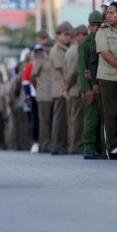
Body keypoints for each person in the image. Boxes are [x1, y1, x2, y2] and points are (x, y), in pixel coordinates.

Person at [96, 3, 117, 159]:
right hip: (108, 77)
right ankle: (112, 147)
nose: (109, 15)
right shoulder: (103, 31)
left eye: (112, 12)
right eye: (107, 13)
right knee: (111, 112)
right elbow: (105, 53)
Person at [78, 12, 103, 159]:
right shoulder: (85, 44)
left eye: (98, 25)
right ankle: (88, 147)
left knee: (99, 118)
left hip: (100, 83)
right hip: (89, 86)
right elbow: (82, 69)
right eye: (93, 25)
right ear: (89, 27)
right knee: (91, 117)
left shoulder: (102, 40)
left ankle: (98, 148)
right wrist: (87, 89)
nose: (96, 28)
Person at [48, 22, 72, 155]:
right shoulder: (57, 50)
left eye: (69, 35)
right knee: (59, 119)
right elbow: (63, 69)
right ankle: (56, 145)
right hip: (60, 88)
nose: (68, 37)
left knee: (62, 119)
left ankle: (60, 144)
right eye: (66, 34)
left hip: (62, 87)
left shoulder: (63, 48)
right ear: (58, 35)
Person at [65, 24, 87, 155]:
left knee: (73, 119)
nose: (84, 37)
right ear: (76, 35)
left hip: (71, 88)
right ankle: (75, 145)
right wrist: (68, 86)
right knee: (77, 120)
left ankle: (72, 144)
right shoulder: (78, 49)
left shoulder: (69, 50)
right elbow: (74, 71)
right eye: (82, 34)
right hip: (76, 88)